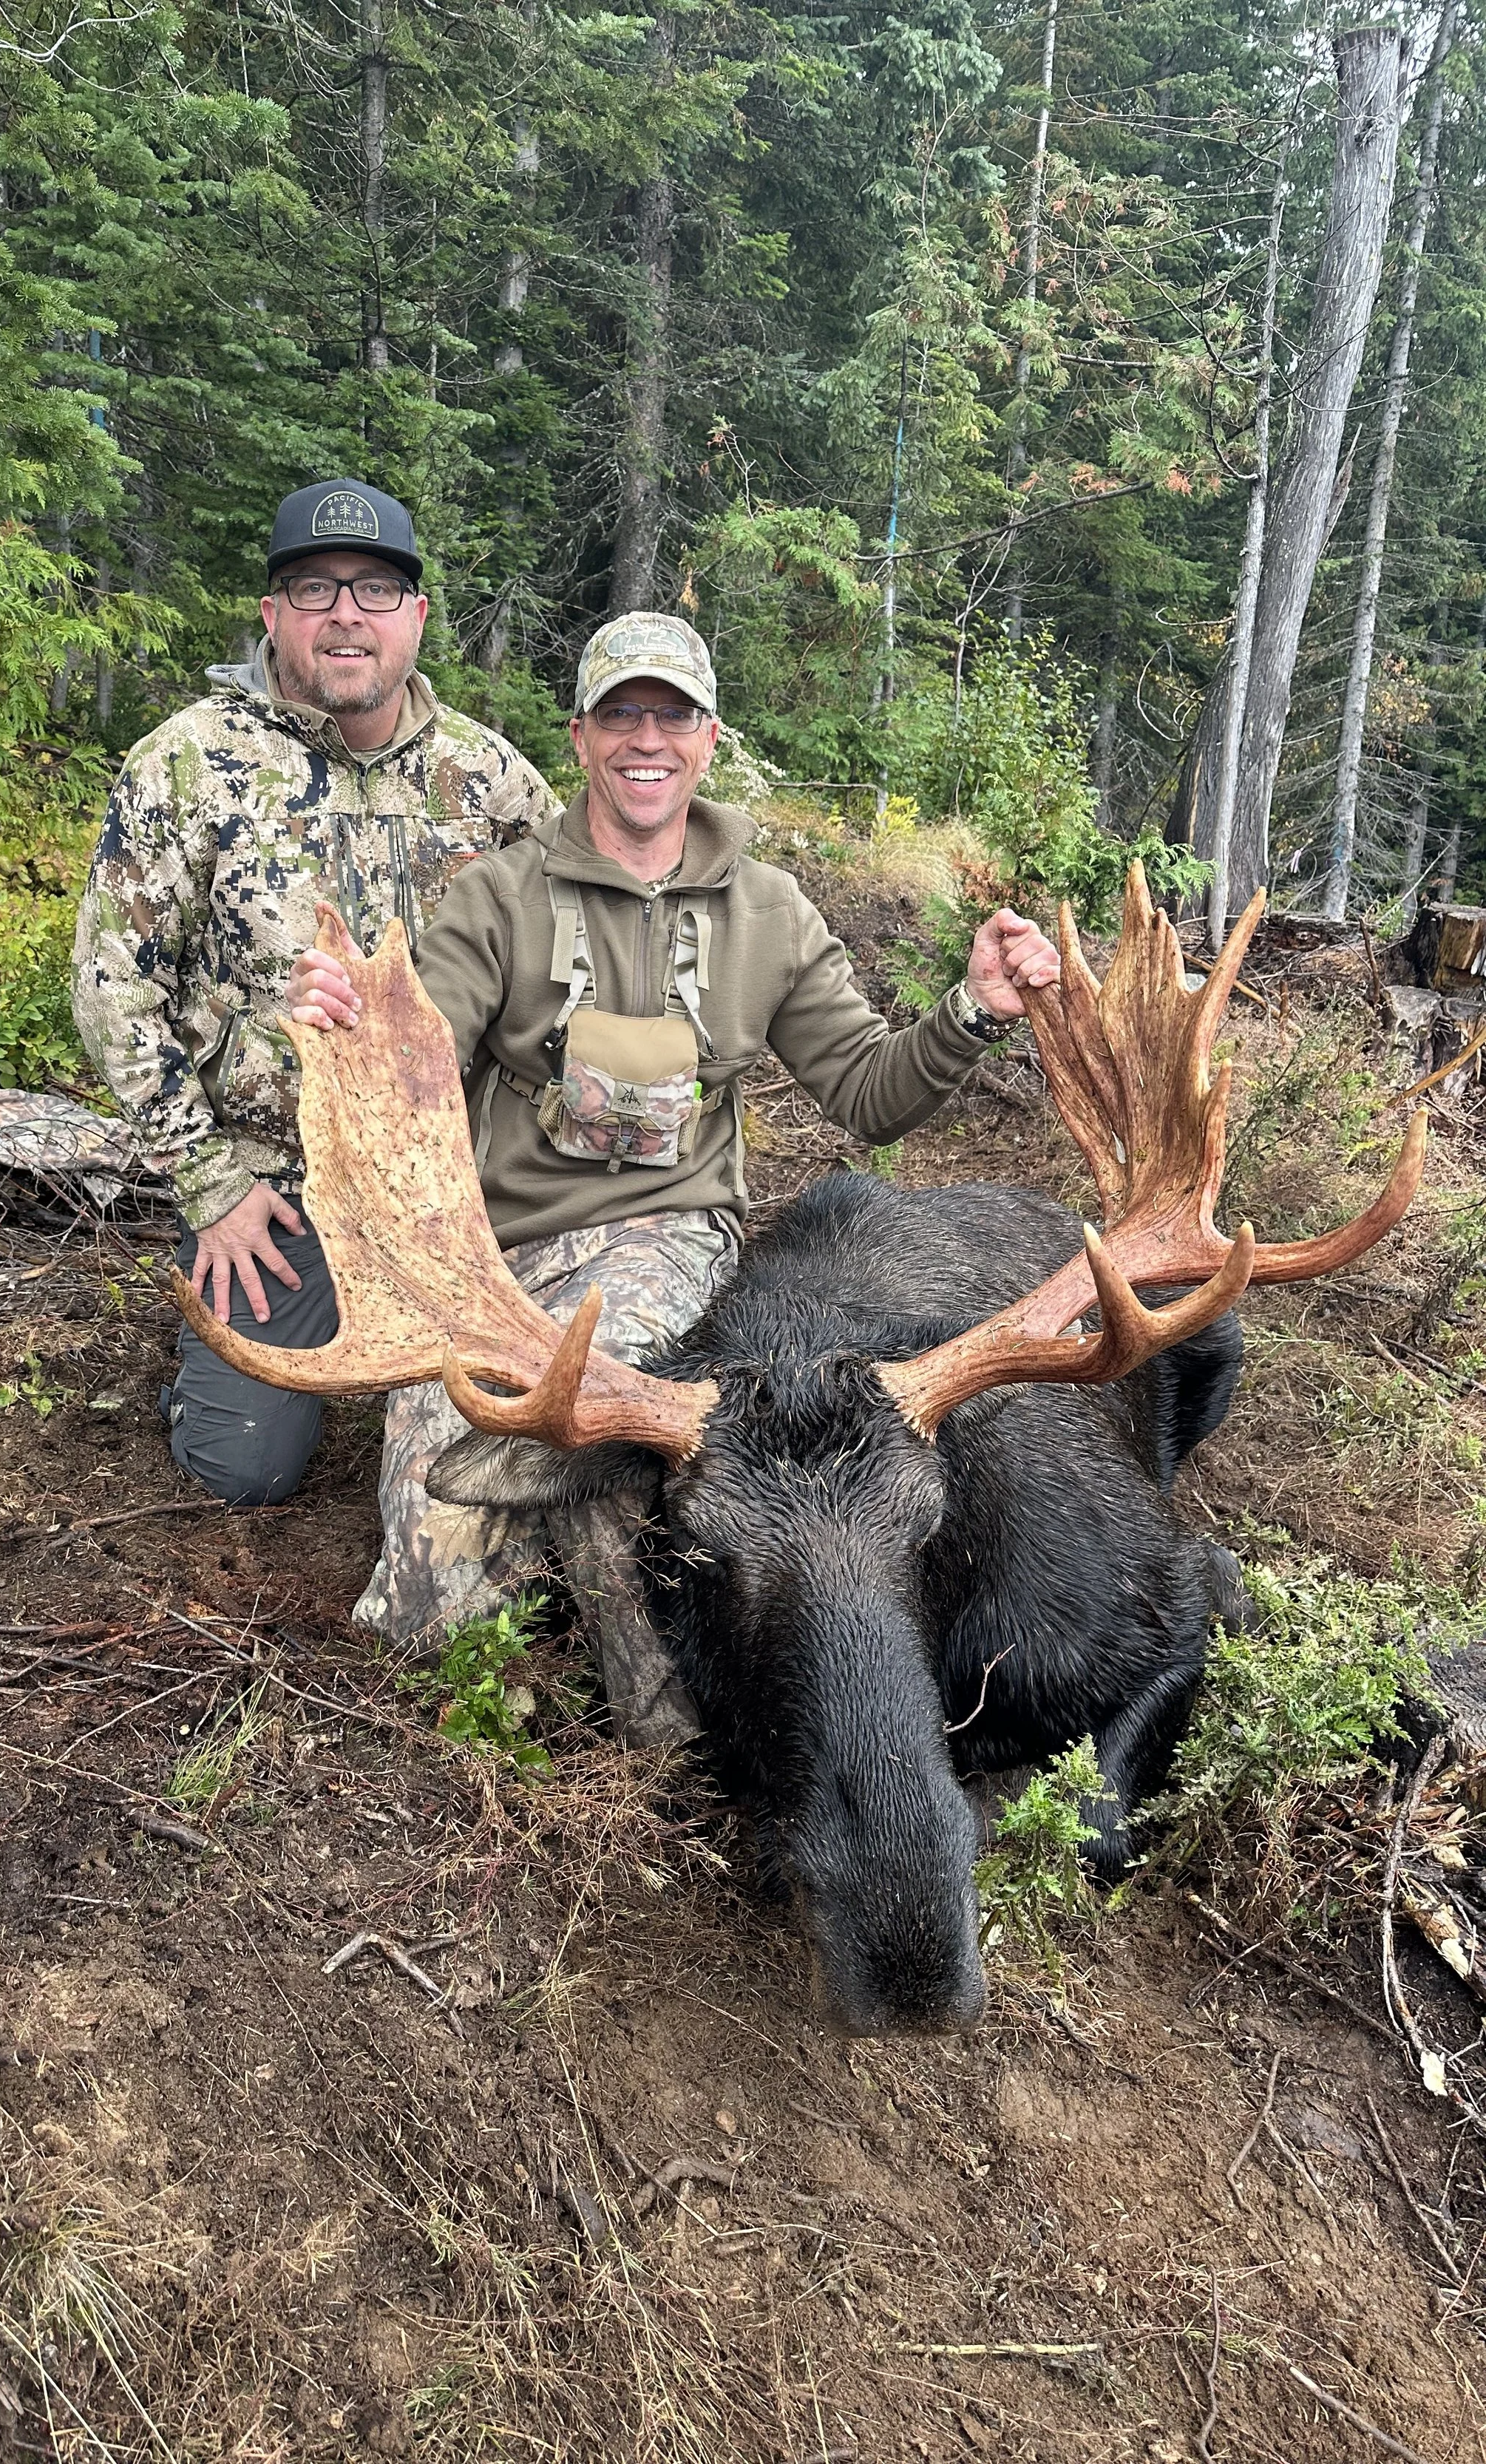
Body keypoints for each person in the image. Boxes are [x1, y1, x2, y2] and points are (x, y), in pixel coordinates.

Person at [288, 608, 1062, 1744]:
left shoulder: (771, 911)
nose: (646, 740)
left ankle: (673, 1732)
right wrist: (347, 1030)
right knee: (429, 1595)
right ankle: (539, 1611)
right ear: (581, 736)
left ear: (708, 740)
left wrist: (971, 1012)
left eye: (673, 716)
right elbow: (416, 1068)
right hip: (501, 1256)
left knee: (614, 1432)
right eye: (621, 715)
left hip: (665, 1232)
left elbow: (867, 1092)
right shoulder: (497, 898)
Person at [73, 479, 561, 1504]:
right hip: (276, 1184)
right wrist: (209, 1188)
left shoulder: (493, 783)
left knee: (549, 1428)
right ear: (273, 616)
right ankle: (249, 1348)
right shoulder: (189, 766)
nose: (347, 613)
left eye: (377, 589)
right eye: (315, 588)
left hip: (459, 1186)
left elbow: (569, 974)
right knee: (237, 1470)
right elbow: (115, 989)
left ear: (417, 618)